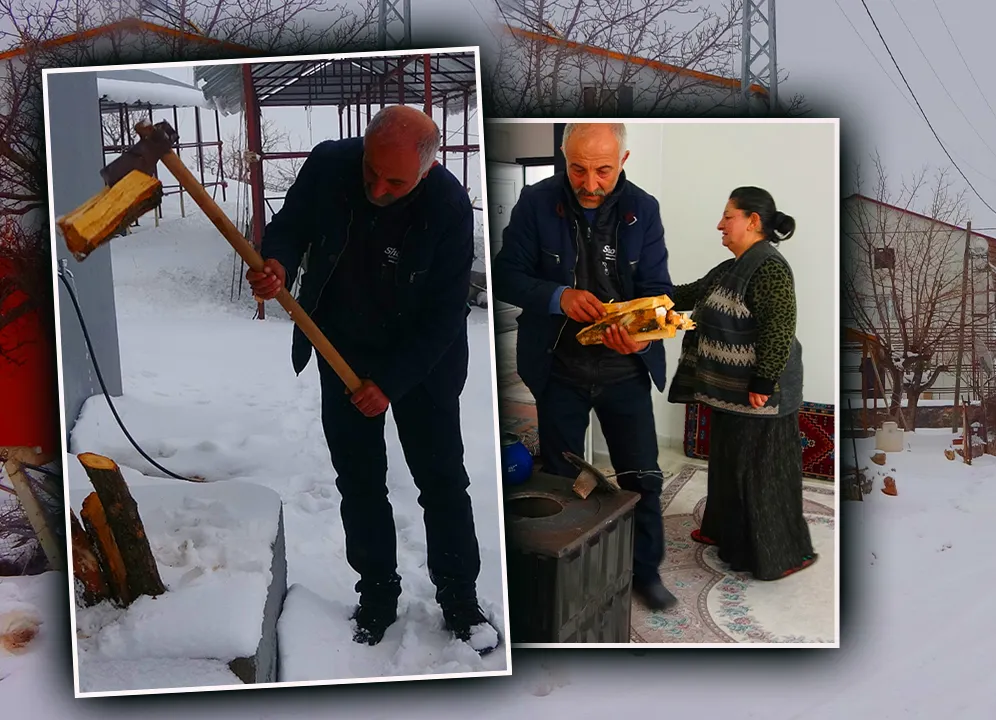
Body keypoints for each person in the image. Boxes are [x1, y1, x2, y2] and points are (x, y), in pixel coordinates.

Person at [244, 105, 500, 654]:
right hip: (341, 347)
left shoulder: (449, 207)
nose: (378, 189)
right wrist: (278, 261)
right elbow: (290, 226)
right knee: (359, 480)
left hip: (422, 363)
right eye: (371, 171)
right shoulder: (329, 165)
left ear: (427, 169)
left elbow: (445, 315)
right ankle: (378, 591)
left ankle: (459, 596)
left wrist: (390, 381)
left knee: (442, 482)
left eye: (395, 182)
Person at [491, 123, 678, 611]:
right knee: (561, 478)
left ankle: (644, 571)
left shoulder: (644, 209)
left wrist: (641, 335)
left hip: (624, 371)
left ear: (624, 160)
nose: (590, 184)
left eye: (603, 171)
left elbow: (659, 289)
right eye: (577, 169)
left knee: (642, 476)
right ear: (562, 156)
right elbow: (506, 274)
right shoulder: (536, 202)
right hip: (559, 367)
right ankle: (569, 575)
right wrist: (559, 297)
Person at [667, 186, 818, 581]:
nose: (720, 224)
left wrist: (764, 381)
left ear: (753, 221)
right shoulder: (730, 267)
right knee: (728, 465)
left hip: (760, 394)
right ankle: (725, 533)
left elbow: (779, 327)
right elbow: (688, 294)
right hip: (729, 391)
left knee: (759, 473)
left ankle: (778, 554)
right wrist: (647, 292)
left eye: (728, 216)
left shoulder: (769, 267)